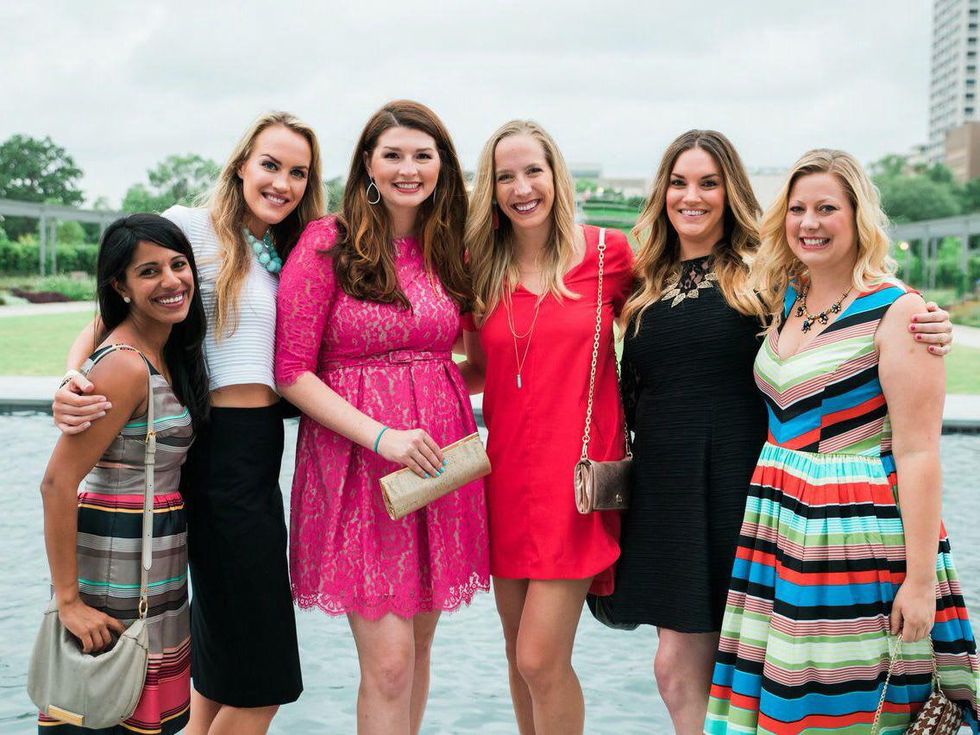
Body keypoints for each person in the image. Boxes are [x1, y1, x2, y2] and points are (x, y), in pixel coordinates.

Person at [594, 130, 957, 735]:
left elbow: (853, 306)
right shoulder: (641, 279)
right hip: (673, 496)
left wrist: (926, 321)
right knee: (686, 670)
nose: (692, 196)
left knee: (776, 677)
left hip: (755, 495)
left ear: (730, 191)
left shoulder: (766, 279)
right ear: (660, 194)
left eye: (709, 182)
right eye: (679, 183)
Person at [53, 111, 324, 735]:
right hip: (215, 451)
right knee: (264, 680)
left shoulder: (292, 248)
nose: (282, 183)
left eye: (298, 173)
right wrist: (73, 378)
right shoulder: (190, 228)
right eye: (270, 165)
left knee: (221, 666)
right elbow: (103, 319)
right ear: (241, 165)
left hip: (258, 454)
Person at [704, 149, 980, 733]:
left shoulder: (898, 312)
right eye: (798, 208)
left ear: (858, 218)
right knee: (785, 699)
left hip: (852, 533)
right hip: (780, 525)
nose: (810, 222)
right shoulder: (788, 298)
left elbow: (919, 453)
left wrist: (922, 582)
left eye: (827, 208)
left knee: (844, 703)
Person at [274, 100, 489, 735]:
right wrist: (384, 430)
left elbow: (473, 365)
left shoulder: (450, 250)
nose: (408, 168)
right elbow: (290, 371)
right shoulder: (327, 243)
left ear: (442, 166)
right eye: (393, 154)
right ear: (368, 164)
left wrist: (433, 394)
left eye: (423, 155)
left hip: (434, 466)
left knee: (419, 651)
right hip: (358, 467)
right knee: (390, 663)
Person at [461, 120, 632, 735]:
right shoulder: (476, 267)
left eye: (532, 170)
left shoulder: (611, 254)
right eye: (504, 176)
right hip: (505, 479)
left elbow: (695, 301)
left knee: (541, 657)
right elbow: (477, 368)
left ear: (556, 175)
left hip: (578, 487)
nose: (520, 186)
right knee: (518, 658)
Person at [38, 214, 209, 734]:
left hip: (151, 571)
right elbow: (57, 483)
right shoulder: (125, 364)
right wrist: (68, 600)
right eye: (149, 272)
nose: (172, 281)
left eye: (179, 265)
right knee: (98, 715)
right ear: (121, 286)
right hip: (113, 574)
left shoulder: (165, 349)